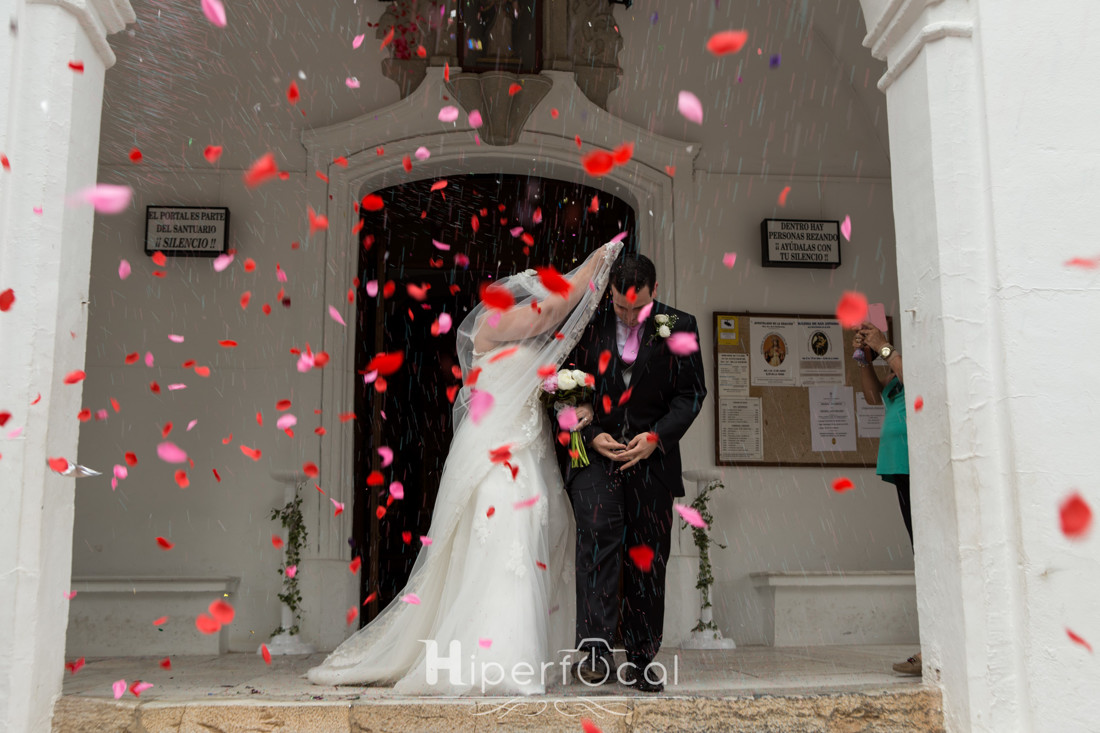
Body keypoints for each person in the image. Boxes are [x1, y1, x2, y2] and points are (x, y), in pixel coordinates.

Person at [306, 241, 622, 694]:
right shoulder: (494, 326)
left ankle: (523, 651)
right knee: (503, 538)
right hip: (496, 451)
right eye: (528, 295)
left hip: (530, 451)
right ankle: (493, 657)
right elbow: (552, 314)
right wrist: (595, 264)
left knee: (533, 536)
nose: (532, 303)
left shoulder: (530, 345)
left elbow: (547, 329)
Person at [554, 253, 707, 693]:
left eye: (636, 309)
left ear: (654, 293)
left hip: (652, 461)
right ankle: (596, 649)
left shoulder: (680, 326)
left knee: (647, 555)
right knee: (598, 536)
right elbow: (558, 386)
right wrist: (593, 430)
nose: (627, 315)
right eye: (620, 307)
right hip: (595, 454)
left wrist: (656, 436)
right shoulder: (587, 323)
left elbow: (691, 394)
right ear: (611, 294)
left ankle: (641, 658)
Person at [852, 321, 920, 676]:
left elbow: (917, 383)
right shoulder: (898, 370)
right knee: (919, 551)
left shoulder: (918, 366)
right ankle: (930, 646)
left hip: (917, 466)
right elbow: (872, 396)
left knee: (926, 554)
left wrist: (885, 347)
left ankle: (932, 648)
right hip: (900, 467)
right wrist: (865, 359)